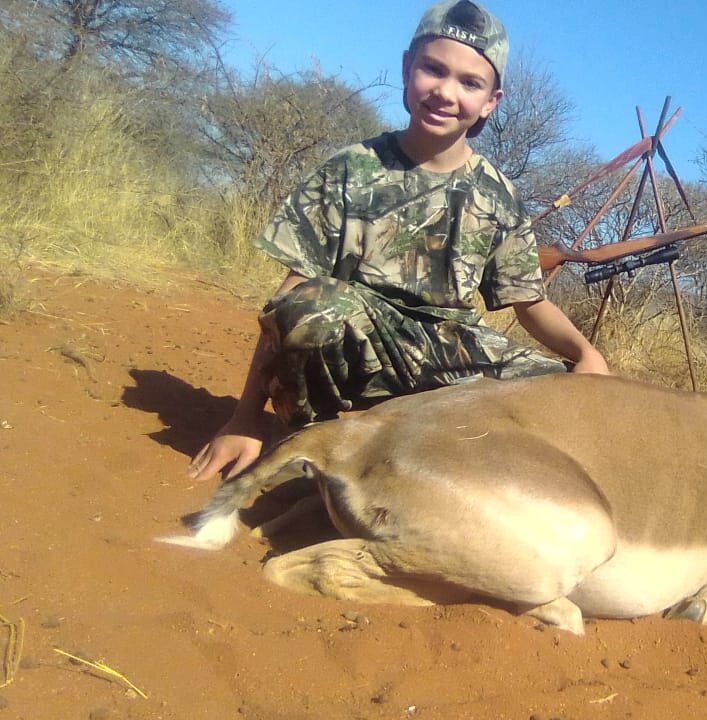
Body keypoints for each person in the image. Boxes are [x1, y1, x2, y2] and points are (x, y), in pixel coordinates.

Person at [188, 0, 608, 484]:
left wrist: (585, 354)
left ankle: (427, 452)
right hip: (359, 339)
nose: (446, 92)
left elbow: (529, 303)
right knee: (306, 307)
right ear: (408, 68)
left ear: (491, 101)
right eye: (434, 69)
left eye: (470, 83)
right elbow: (289, 301)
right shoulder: (350, 168)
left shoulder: (500, 193)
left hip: (446, 353)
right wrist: (243, 419)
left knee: (568, 395)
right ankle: (307, 440)